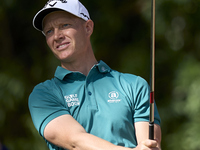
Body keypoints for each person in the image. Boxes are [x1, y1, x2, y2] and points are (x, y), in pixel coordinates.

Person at [28, 0, 162, 150]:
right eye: (49, 31)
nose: (57, 36)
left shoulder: (135, 85)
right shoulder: (43, 94)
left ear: (88, 27)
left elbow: (148, 145)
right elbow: (76, 141)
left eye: (64, 25)